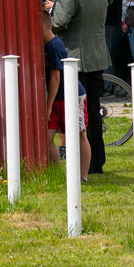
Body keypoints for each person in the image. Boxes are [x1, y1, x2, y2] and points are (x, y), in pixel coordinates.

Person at [51, 0, 114, 175]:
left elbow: (59, 21)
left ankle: (81, 161)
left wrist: (52, 10)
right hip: (97, 54)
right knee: (94, 110)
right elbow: (107, 1)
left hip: (74, 55)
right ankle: (97, 160)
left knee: (75, 111)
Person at [43, 11, 92, 182]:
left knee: (79, 135)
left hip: (71, 95)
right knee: (47, 136)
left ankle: (83, 176)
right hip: (57, 97)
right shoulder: (47, 45)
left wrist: (48, 105)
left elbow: (56, 78)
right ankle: (55, 173)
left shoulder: (53, 46)